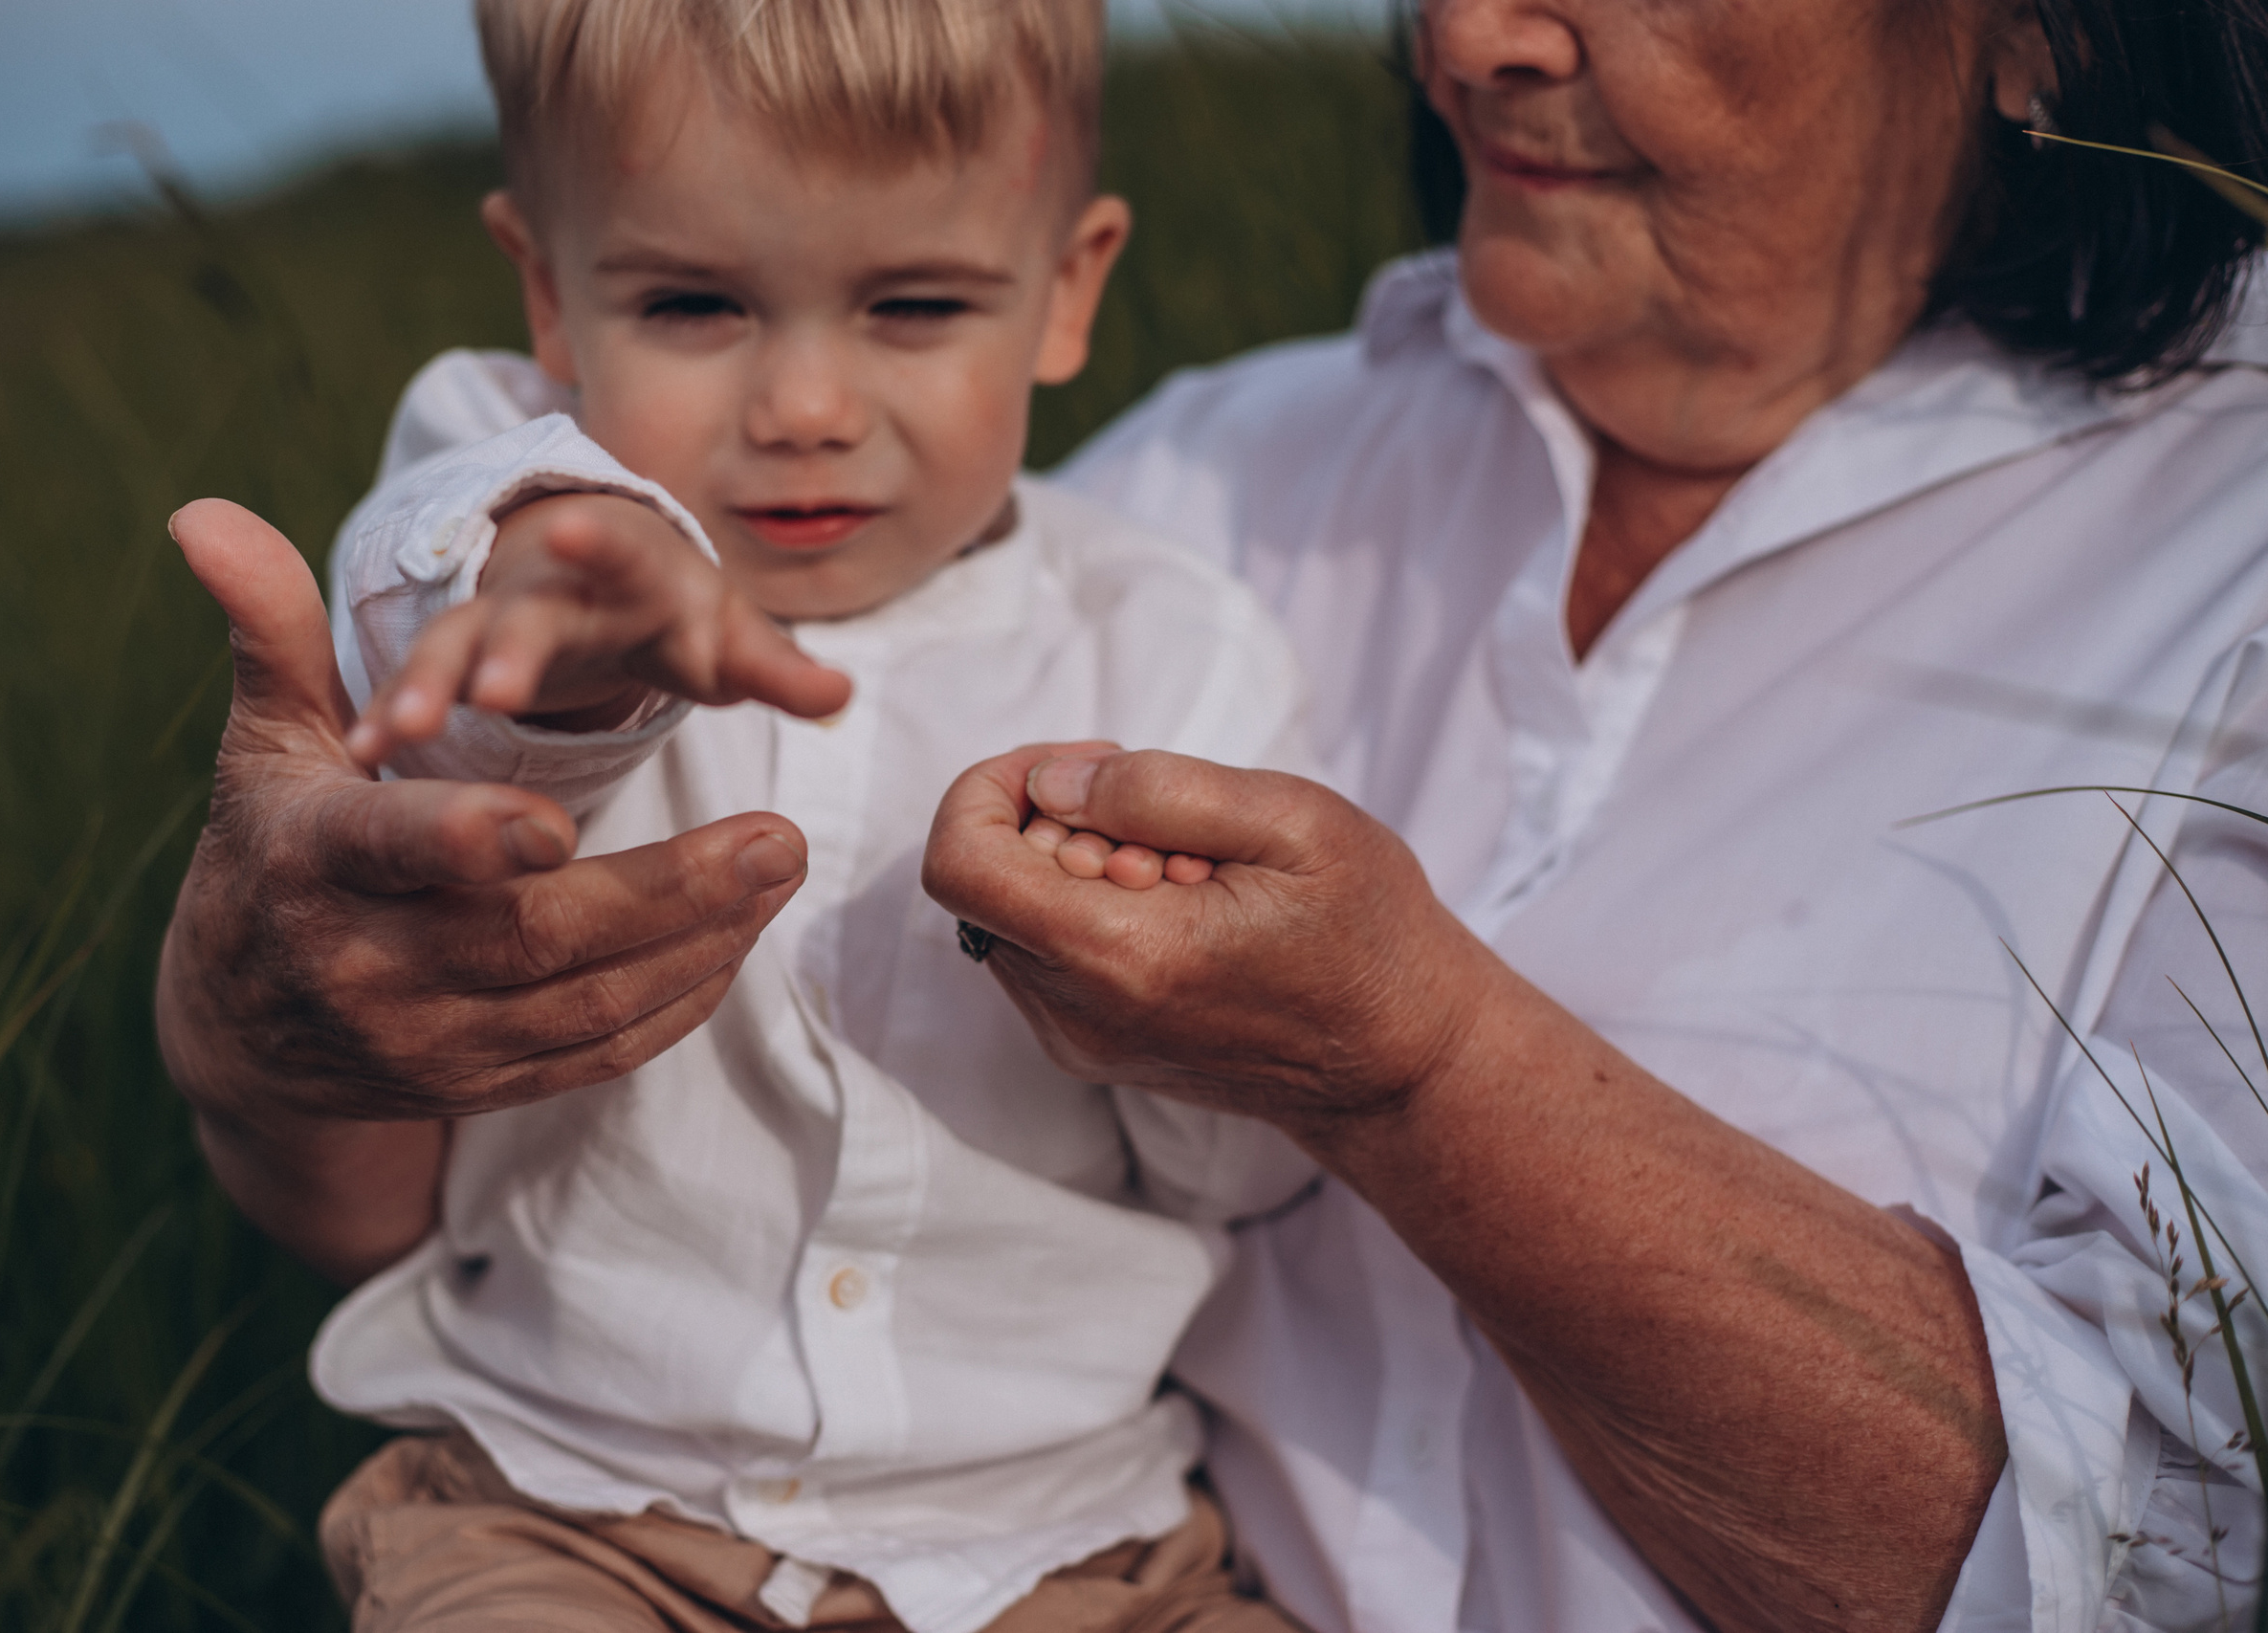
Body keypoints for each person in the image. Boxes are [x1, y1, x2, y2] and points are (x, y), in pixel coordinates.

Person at [157, 0, 2268, 1629]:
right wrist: (267, 1036)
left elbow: (2166, 1548)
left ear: (2047, 26)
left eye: (908, 306)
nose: (1463, 39)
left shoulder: (2223, 570)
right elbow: (387, 1147)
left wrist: (1419, 1067)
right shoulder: (1199, 474)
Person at [234, 1, 1327, 1630]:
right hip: (571, 1501)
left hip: (1065, 1541)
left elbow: (1239, 1174)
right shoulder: (510, 496)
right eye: (693, 304)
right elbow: (451, 614)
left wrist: (1158, 1008)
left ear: (1069, 287)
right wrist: (567, 606)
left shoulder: (1178, 652)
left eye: (914, 305)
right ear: (549, 289)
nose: (806, 402)